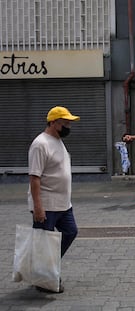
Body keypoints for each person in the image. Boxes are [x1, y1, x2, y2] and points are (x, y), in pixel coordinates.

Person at [28, 106, 80, 293]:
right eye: (65, 123)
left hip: (64, 204)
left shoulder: (58, 141)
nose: (68, 126)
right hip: (47, 205)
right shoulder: (40, 144)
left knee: (70, 232)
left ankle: (46, 269)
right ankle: (45, 280)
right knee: (44, 243)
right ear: (53, 122)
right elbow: (35, 178)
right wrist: (38, 207)